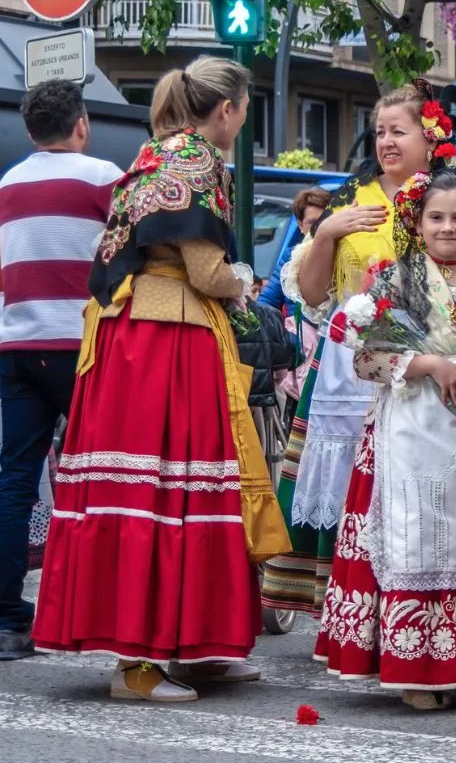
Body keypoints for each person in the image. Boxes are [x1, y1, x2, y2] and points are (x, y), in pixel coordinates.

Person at [33, 56, 287, 701]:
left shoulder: (155, 154)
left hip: (129, 336)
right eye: (245, 107)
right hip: (167, 340)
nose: (244, 118)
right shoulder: (197, 161)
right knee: (169, 491)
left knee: (169, 491)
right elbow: (206, 271)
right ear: (226, 109)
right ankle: (142, 667)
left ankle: (196, 648)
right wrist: (243, 284)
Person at [314, 166, 456, 708]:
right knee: (421, 533)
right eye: (437, 217)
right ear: (418, 220)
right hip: (414, 421)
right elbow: (365, 356)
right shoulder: (394, 279)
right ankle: (419, 671)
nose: (448, 228)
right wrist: (431, 362)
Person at [262, 84, 442, 618]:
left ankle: (414, 600)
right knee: (349, 485)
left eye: (398, 131)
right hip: (349, 361)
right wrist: (325, 236)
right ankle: (345, 604)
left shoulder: (450, 194)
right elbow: (314, 295)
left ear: (428, 136)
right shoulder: (349, 195)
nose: (386, 141)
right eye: (380, 131)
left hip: (425, 357)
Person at [0, 80, 124, 661]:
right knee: (103, 472)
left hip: (16, 346)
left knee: (15, 480)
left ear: (30, 131)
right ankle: (100, 609)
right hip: (83, 347)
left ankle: (6, 620)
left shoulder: (6, 183)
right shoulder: (102, 176)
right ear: (81, 123)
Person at [275, 187, 330, 405]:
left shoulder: (346, 255)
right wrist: (290, 340)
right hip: (301, 350)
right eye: (312, 223)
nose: (319, 229)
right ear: (299, 225)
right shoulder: (290, 258)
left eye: (324, 221)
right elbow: (268, 303)